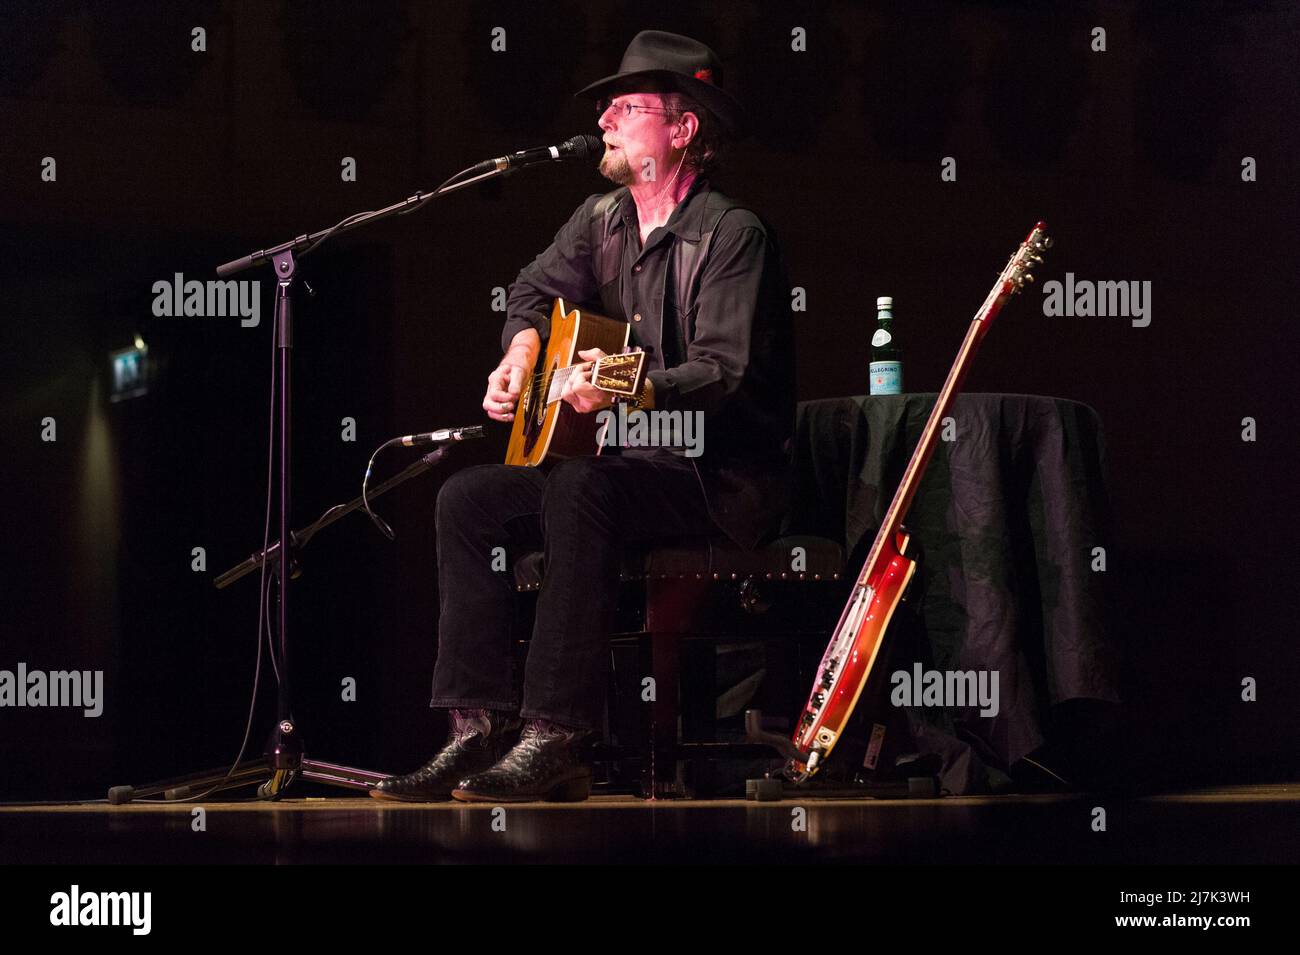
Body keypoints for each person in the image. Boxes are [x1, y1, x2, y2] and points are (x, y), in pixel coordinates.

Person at [372, 30, 794, 803]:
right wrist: (520, 353)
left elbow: (723, 374)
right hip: (633, 468)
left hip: (716, 473)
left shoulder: (733, 235)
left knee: (579, 488)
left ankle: (557, 735)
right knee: (467, 500)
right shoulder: (601, 218)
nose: (603, 118)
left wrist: (622, 384)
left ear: (682, 128)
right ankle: (478, 731)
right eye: (606, 106)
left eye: (626, 107)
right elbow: (529, 292)